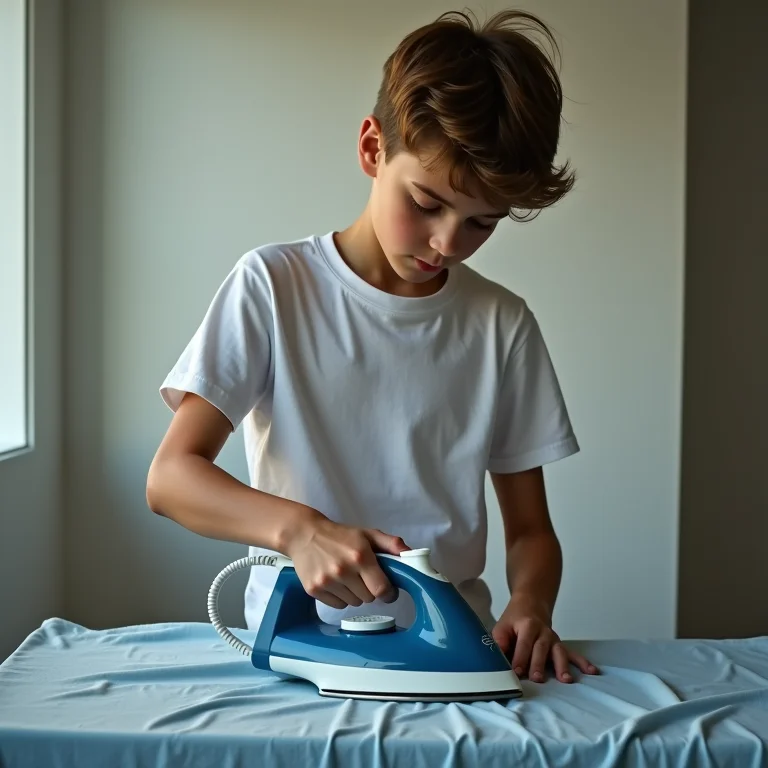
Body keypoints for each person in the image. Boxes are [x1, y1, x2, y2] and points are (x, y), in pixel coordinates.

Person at [146, 8, 598, 685]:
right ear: (372, 149)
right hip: (292, 652)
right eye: (425, 203)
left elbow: (530, 531)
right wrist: (298, 530)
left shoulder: (501, 324)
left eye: (482, 223)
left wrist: (530, 604)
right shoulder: (273, 287)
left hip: (447, 657)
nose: (447, 243)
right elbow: (171, 477)